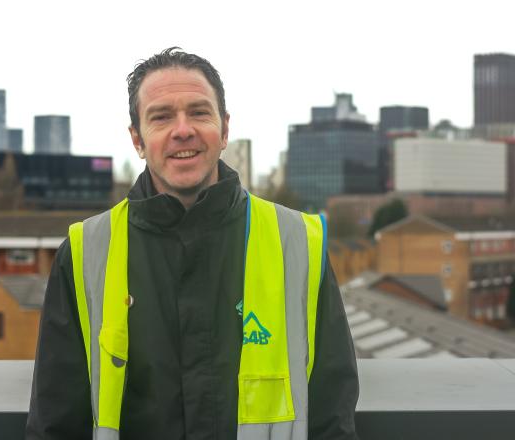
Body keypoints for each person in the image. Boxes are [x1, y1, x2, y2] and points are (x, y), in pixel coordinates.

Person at [26, 47, 359, 440]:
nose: (182, 130)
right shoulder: (85, 253)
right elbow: (56, 422)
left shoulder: (300, 245)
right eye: (161, 117)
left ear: (225, 129)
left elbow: (332, 419)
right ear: (137, 138)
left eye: (199, 112)